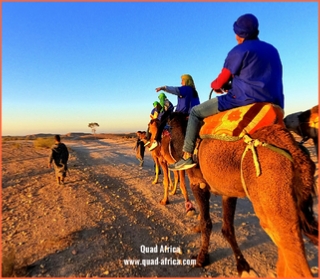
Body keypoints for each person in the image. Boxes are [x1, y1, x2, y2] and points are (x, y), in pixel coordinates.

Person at [169, 13, 284, 171]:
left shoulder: (239, 51)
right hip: (274, 100)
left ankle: (187, 155)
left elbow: (220, 81)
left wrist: (217, 85)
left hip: (242, 99)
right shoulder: (272, 50)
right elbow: (254, 79)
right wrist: (232, 84)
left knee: (195, 113)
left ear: (239, 34)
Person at [149, 74, 200, 151]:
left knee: (163, 120)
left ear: (186, 81)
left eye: (182, 80)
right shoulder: (194, 91)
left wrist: (163, 88)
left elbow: (175, 90)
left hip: (184, 114)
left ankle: (156, 140)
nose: (181, 82)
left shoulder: (186, 89)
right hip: (192, 113)